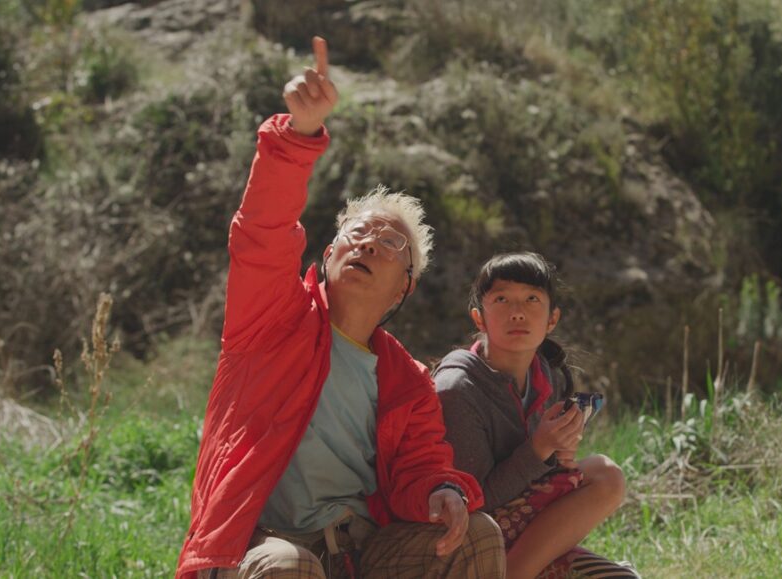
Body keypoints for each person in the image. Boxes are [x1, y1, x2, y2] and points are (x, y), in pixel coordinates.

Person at [174, 36, 505, 579]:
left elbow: (420, 468)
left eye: (391, 243)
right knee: (288, 567)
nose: (370, 244)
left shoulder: (408, 379)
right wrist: (299, 134)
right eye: (357, 233)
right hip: (256, 546)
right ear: (327, 255)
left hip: (362, 552)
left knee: (478, 536)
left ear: (404, 288)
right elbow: (262, 232)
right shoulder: (271, 319)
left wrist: (443, 490)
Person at [433, 252, 639, 579]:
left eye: (531, 299)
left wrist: (561, 456)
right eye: (501, 299)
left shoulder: (547, 376)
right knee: (605, 475)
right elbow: (473, 503)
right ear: (479, 318)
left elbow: (542, 480)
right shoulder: (456, 389)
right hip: (472, 543)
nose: (517, 313)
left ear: (552, 319)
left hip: (525, 536)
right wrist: (538, 449)